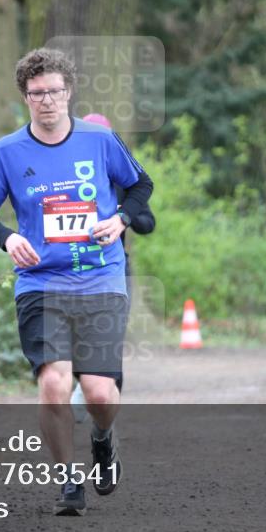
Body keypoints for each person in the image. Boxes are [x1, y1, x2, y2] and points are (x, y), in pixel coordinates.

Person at [0, 48, 153, 515]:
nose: (47, 101)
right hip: (40, 282)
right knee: (53, 382)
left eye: (54, 91)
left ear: (68, 92)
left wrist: (122, 220)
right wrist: (8, 239)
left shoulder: (99, 140)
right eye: (37, 94)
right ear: (25, 98)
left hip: (101, 277)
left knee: (97, 392)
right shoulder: (7, 152)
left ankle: (102, 437)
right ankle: (68, 479)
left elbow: (140, 186)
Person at [70, 113, 155, 422]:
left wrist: (123, 216)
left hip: (115, 270)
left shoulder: (123, 180)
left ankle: (107, 412)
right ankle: (83, 385)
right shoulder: (70, 177)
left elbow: (147, 223)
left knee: (110, 339)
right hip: (73, 268)